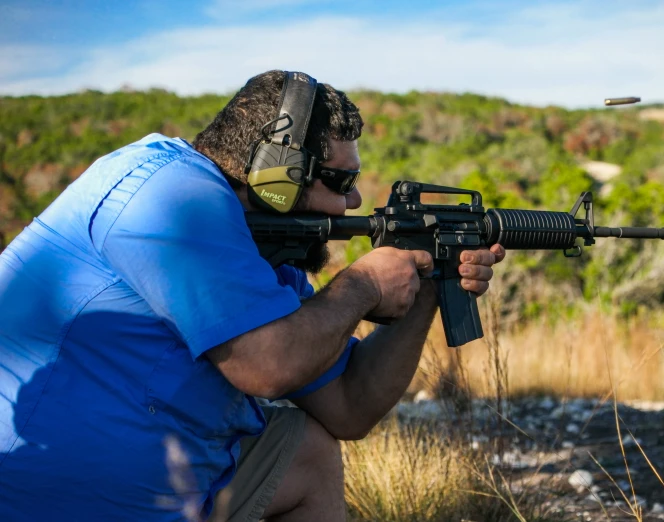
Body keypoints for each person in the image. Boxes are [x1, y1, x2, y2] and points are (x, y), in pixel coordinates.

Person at [0, 70, 505, 521]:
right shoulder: (169, 194)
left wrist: (429, 280)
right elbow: (265, 367)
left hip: (166, 487)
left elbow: (351, 406)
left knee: (303, 451)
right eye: (341, 180)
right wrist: (365, 284)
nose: (354, 199)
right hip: (44, 496)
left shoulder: (266, 257)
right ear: (276, 178)